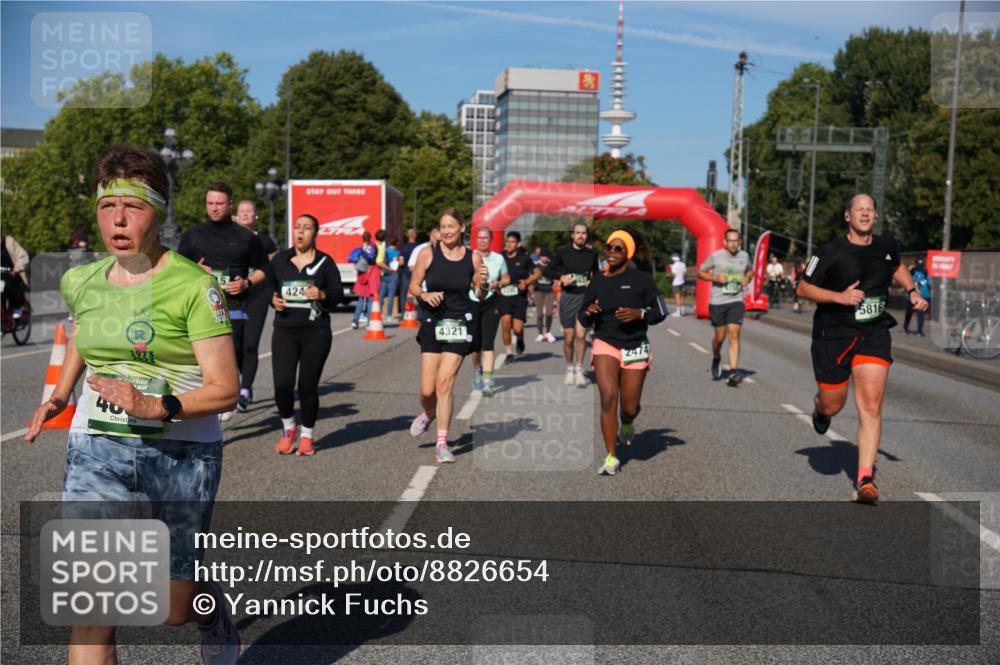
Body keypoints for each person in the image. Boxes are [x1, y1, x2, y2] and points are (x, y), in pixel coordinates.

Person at [25, 144, 241, 664]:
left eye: (133, 207)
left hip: (183, 453)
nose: (117, 220)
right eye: (106, 207)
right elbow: (85, 332)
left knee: (173, 609)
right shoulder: (82, 281)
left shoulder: (195, 286)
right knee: (92, 607)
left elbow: (225, 388)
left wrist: (155, 406)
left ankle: (209, 612)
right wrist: (58, 395)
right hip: (97, 447)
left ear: (159, 214)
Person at [797, 193, 928, 503]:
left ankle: (865, 478)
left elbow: (896, 267)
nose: (865, 214)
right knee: (833, 403)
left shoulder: (886, 246)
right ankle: (820, 409)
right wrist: (839, 297)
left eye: (870, 210)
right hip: (834, 334)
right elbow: (803, 287)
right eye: (860, 210)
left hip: (873, 332)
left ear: (876, 216)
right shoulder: (830, 251)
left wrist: (911, 291)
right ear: (848, 216)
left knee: (871, 406)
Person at [579, 230, 667, 476]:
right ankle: (611, 456)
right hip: (606, 342)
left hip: (635, 345)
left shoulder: (642, 280)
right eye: (609, 247)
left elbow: (660, 311)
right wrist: (589, 311)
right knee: (608, 397)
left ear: (627, 253)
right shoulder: (597, 281)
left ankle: (626, 423)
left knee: (629, 406)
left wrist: (640, 314)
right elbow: (582, 315)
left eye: (618, 249)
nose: (612, 253)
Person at [178, 182, 268, 421]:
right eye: (210, 203)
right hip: (200, 308)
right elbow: (175, 270)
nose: (214, 208)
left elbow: (264, 269)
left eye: (219, 203)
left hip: (235, 306)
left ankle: (233, 390)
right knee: (201, 359)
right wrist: (193, 270)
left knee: (236, 353)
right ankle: (211, 402)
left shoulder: (245, 237)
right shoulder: (193, 235)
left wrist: (246, 283)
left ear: (230, 205)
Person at [408, 208, 488, 463]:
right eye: (442, 226)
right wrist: (423, 295)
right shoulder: (427, 253)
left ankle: (442, 443)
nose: (446, 231)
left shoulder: (473, 257)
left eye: (451, 226)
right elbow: (413, 285)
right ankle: (428, 412)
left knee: (445, 384)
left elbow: (480, 293)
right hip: (433, 322)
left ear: (462, 228)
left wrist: (484, 283)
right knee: (426, 390)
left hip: (460, 323)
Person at [266, 213, 343, 455]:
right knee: (282, 385)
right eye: (297, 227)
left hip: (315, 331)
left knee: (307, 385)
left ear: (315, 234)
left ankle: (307, 435)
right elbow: (268, 288)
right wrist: (272, 300)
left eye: (307, 228)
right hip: (285, 330)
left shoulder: (325, 262)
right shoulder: (280, 260)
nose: (300, 232)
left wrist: (322, 295)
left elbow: (338, 294)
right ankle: (289, 428)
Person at [234, 200, 278, 412]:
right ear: (235, 214)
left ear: (256, 216)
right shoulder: (228, 238)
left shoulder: (264, 240)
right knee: (235, 346)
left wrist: (273, 291)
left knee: (251, 344)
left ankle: (245, 390)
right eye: (241, 211)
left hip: (257, 296)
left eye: (249, 211)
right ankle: (239, 382)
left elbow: (272, 267)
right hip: (234, 297)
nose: (245, 214)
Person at [697, 228, 753, 387]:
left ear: (740, 242)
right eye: (730, 241)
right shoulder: (716, 256)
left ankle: (733, 371)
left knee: (734, 334)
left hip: (736, 300)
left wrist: (747, 278)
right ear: (724, 242)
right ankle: (716, 356)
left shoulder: (744, 256)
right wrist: (715, 277)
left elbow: (750, 270)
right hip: (717, 301)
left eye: (736, 241)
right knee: (720, 338)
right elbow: (700, 272)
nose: (733, 244)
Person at [551, 221, 600, 385]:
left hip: (584, 299)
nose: (581, 236)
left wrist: (596, 293)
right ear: (572, 235)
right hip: (568, 298)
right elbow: (548, 269)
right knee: (569, 338)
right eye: (577, 233)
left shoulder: (592, 254)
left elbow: (597, 275)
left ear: (587, 236)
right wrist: (561, 278)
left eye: (584, 233)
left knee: (581, 334)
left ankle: (579, 369)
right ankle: (569, 368)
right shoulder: (563, 252)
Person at [470, 227, 510, 397]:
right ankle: (477, 370)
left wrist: (498, 284)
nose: (482, 241)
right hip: (472, 302)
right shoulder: (469, 256)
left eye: (486, 238)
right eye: (479, 238)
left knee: (488, 343)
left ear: (491, 240)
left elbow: (507, 279)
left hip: (491, 302)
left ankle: (487, 382)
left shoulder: (498, 258)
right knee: (474, 345)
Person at [498, 231, 540, 359]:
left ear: (518, 244)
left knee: (517, 328)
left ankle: (520, 337)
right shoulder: (500, 257)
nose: (509, 244)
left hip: (519, 297)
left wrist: (527, 282)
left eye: (512, 242)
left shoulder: (524, 258)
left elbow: (537, 273)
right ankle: (509, 352)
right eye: (508, 241)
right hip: (504, 295)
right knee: (505, 324)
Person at [349, 232, 378, 329]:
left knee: (361, 299)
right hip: (372, 272)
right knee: (370, 298)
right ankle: (369, 322)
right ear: (370, 238)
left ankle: (355, 321)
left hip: (362, 274)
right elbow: (375, 259)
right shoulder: (373, 246)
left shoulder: (360, 247)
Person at [1, 233, 30, 317]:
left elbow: (22, 256)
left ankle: (16, 307)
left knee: (10, 285)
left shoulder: (9, 241)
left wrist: (18, 266)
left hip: (12, 273)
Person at [533, 249, 557, 343]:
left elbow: (556, 277)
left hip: (549, 291)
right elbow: (531, 277)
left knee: (549, 313)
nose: (544, 258)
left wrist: (554, 284)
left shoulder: (552, 266)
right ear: (540, 257)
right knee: (539, 314)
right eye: (543, 256)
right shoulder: (536, 266)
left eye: (546, 256)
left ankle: (548, 332)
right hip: (538, 291)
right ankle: (540, 334)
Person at [903, 258, 931, 336]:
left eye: (921, 265)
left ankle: (919, 330)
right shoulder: (912, 271)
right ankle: (905, 328)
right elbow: (905, 279)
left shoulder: (925, 272)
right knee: (909, 313)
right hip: (911, 296)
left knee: (920, 314)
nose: (920, 267)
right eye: (918, 265)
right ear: (915, 265)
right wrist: (908, 270)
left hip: (923, 296)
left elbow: (929, 282)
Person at [379, 235, 403, 322]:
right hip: (393, 274)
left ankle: (379, 314)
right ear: (397, 243)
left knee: (381, 295)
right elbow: (401, 263)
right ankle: (389, 315)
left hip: (384, 274)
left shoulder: (385, 251)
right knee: (391, 296)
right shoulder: (397, 253)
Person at [399, 228, 420, 315]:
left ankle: (404, 313)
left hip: (405, 273)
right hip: (417, 272)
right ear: (415, 235)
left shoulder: (403, 247)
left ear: (407, 236)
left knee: (403, 293)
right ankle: (418, 313)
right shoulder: (419, 247)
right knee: (418, 292)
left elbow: (401, 262)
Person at [669, 252, 687, 316]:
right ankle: (683, 310)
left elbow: (674, 274)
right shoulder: (683, 264)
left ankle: (678, 312)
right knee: (682, 297)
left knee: (677, 297)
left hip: (676, 283)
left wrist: (669, 275)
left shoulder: (674, 265)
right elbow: (685, 273)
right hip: (682, 282)